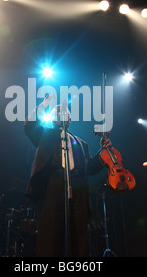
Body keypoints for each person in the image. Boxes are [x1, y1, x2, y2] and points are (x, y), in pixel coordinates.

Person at [24, 94, 110, 257]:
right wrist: (44, 105)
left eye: (67, 113)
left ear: (70, 120)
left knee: (78, 235)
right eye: (59, 112)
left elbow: (90, 168)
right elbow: (29, 126)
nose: (64, 114)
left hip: (78, 188)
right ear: (53, 118)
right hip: (53, 185)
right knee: (51, 234)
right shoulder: (46, 135)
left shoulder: (81, 143)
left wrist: (103, 152)